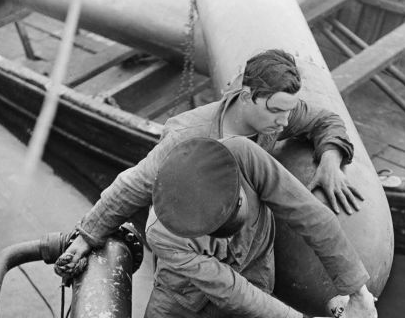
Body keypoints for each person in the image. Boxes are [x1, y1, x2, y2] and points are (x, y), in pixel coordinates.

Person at [55, 49, 363, 275]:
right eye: (275, 112)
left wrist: (330, 159)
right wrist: (87, 237)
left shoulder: (276, 113)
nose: (285, 122)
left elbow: (325, 119)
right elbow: (134, 184)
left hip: (249, 249)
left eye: (288, 112)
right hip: (193, 250)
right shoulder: (187, 137)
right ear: (246, 97)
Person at [126, 136, 376, 318]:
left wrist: (357, 291)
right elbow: (232, 292)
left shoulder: (244, 156)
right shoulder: (160, 232)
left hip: (254, 285)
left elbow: (310, 215)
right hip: (178, 298)